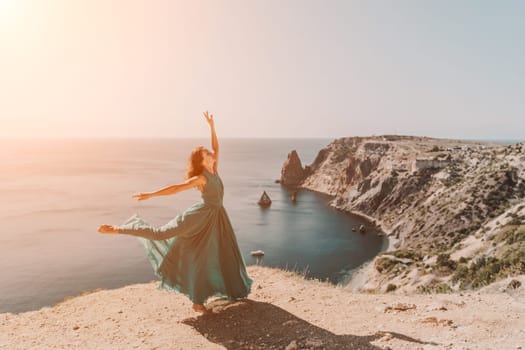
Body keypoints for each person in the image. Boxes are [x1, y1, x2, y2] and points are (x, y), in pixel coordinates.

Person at [98, 111, 253, 314]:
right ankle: (118, 229)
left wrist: (212, 126)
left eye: (211, 153)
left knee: (211, 255)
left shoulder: (215, 169)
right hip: (199, 217)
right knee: (160, 234)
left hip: (216, 219)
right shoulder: (201, 177)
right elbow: (176, 188)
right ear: (202, 160)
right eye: (207, 154)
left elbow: (217, 146)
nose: (212, 154)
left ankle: (199, 301)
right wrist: (151, 194)